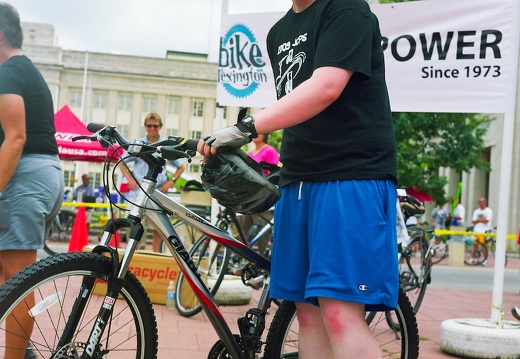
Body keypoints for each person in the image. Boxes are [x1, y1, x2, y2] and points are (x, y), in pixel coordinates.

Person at [199, 0, 398, 357]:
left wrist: (246, 128)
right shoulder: (278, 32)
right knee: (306, 315)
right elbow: (296, 104)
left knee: (340, 313)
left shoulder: (345, 8)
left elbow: (326, 87)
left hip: (350, 174)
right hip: (297, 180)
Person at [0, 3, 64, 358]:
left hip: (24, 179)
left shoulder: (8, 72)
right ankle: (23, 353)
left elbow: (16, 138)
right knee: (8, 278)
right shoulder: (27, 72)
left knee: (17, 284)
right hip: (40, 176)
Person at [119, 112, 185, 252]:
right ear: (145, 126)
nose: (152, 128)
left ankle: (156, 258)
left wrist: (171, 181)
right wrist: (129, 179)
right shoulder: (139, 143)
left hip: (157, 192)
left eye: (155, 126)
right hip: (138, 192)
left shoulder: (166, 146)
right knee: (133, 227)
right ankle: (132, 258)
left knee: (158, 229)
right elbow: (121, 162)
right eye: (149, 125)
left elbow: (181, 166)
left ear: (160, 127)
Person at [470, 197, 493, 263]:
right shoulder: (476, 211)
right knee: (474, 245)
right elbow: (473, 221)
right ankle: (472, 258)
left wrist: (478, 220)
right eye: (478, 202)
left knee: (483, 245)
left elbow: (487, 220)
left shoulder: (489, 211)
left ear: (484, 202)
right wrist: (481, 219)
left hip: (484, 231)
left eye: (480, 202)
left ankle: (485, 259)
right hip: (476, 230)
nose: (479, 203)